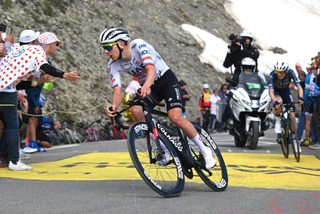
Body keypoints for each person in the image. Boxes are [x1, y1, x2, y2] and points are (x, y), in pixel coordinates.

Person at [101, 27, 216, 170]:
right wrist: (114, 107)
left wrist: (146, 85)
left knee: (175, 118)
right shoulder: (113, 65)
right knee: (136, 110)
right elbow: (117, 90)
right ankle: (165, 147)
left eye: (107, 46)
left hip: (166, 80)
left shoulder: (138, 45)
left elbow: (151, 70)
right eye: (103, 47)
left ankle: (205, 150)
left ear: (121, 44)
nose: (105, 51)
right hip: (150, 87)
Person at [0, 31, 79, 170]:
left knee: (11, 124)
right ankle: (14, 161)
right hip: (6, 90)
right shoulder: (38, 52)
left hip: (7, 86)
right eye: (56, 45)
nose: (56, 48)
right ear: (50, 45)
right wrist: (65, 74)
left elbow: (29, 80)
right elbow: (44, 67)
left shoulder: (24, 49)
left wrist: (40, 80)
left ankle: (3, 157)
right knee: (13, 125)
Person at [268, 59, 304, 153]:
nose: (279, 74)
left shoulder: (291, 73)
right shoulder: (272, 74)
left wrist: (300, 97)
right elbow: (271, 91)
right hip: (276, 92)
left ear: (286, 70)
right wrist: (274, 101)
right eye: (277, 72)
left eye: (281, 72)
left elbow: (299, 87)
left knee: (292, 116)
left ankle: (295, 140)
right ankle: (278, 121)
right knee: (279, 102)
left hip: (286, 92)